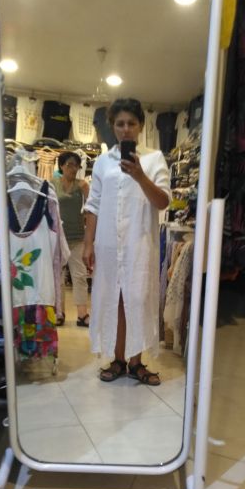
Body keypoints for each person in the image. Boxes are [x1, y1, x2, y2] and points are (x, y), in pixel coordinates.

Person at [83, 98, 170, 385]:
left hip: (139, 243)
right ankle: (119, 360)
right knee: (114, 300)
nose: (126, 129)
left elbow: (162, 201)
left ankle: (137, 363)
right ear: (113, 127)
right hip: (108, 244)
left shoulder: (154, 158)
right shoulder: (102, 162)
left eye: (131, 123)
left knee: (138, 299)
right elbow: (93, 205)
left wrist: (140, 175)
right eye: (120, 124)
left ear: (141, 126)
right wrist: (88, 244)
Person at [53, 151, 90, 327]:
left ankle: (82, 315)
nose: (73, 169)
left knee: (80, 276)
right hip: (58, 237)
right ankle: (59, 312)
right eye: (69, 165)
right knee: (58, 277)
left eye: (76, 165)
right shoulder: (52, 184)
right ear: (61, 166)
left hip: (77, 236)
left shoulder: (82, 185)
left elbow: (91, 208)